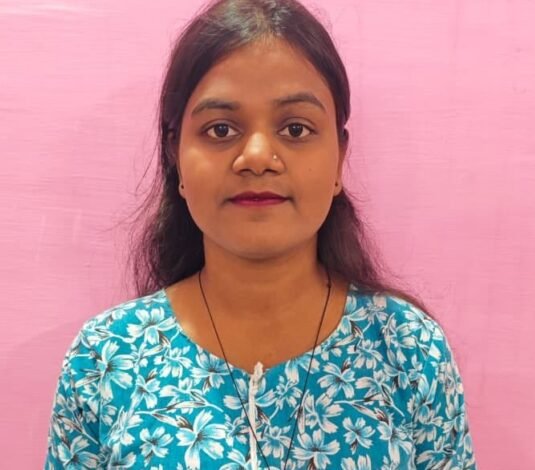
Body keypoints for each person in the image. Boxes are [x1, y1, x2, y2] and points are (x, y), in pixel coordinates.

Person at [45, 0, 476, 468]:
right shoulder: (106, 358)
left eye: (296, 128)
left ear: (339, 159)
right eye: (220, 129)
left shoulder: (409, 352)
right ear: (176, 159)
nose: (256, 156)